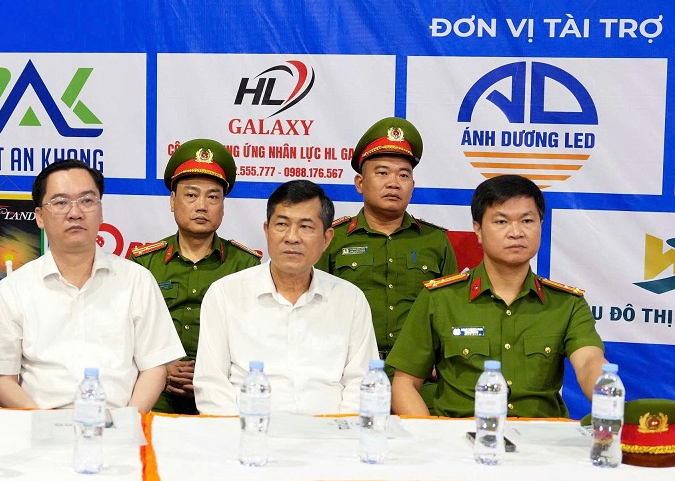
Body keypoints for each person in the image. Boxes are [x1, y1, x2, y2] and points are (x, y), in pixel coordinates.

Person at [387, 175, 607, 418]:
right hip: (461, 436)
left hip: (541, 437)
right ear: (478, 230)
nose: (516, 232)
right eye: (501, 221)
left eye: (527, 220)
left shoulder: (567, 304)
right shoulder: (440, 299)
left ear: (541, 225)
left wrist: (606, 389)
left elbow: (589, 361)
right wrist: (433, 434)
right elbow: (404, 383)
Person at [0, 159, 183, 412]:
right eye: (60, 203)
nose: (75, 213)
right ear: (40, 217)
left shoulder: (136, 280)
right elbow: (2, 378)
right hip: (38, 423)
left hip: (118, 422)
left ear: (101, 210)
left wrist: (127, 421)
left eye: (86, 201)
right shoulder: (14, 288)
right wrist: (41, 422)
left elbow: (154, 368)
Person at [193, 180, 378, 415]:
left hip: (330, 432)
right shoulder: (225, 295)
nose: (292, 237)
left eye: (306, 227)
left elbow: (361, 385)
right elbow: (212, 386)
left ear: (326, 239)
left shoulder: (350, 300)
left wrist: (340, 432)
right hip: (248, 430)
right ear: (266, 230)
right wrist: (244, 432)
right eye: (282, 224)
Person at [130, 139, 261, 414]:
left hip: (225, 394)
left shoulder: (247, 264)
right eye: (191, 195)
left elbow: (256, 337)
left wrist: (208, 373)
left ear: (223, 205)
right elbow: (126, 334)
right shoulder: (144, 263)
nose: (202, 206)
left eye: (213, 197)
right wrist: (163, 367)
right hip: (157, 393)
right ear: (172, 201)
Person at [316, 117, 458, 361]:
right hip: (349, 368)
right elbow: (314, 309)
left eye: (403, 175)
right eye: (382, 173)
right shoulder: (332, 239)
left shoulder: (435, 240)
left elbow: (451, 311)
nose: (393, 183)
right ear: (360, 183)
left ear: (412, 185)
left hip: (417, 372)